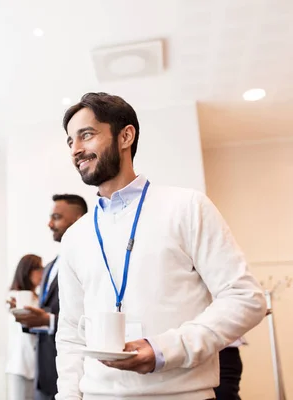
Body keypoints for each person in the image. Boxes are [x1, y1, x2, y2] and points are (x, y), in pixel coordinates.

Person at [55, 92, 267, 400]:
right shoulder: (75, 237)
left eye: (86, 135)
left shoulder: (187, 206)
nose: (76, 149)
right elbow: (71, 334)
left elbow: (246, 298)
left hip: (181, 394)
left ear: (126, 136)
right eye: (70, 141)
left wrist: (166, 349)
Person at [13, 194, 88, 400]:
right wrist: (29, 316)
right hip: (44, 372)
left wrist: (48, 320)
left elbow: (87, 316)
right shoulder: (51, 266)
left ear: (77, 219)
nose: (49, 223)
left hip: (72, 375)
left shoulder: (90, 261)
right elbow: (50, 311)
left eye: (56, 217)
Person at [6, 254, 45, 400]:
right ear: (28, 271)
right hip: (20, 365)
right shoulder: (14, 297)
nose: (42, 273)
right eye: (39, 269)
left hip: (37, 365)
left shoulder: (39, 297)